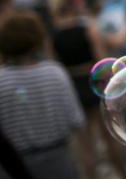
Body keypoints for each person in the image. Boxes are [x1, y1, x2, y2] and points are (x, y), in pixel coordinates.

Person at [48, 0, 126, 179]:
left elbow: (55, 66)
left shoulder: (53, 36)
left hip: (72, 87)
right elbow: (102, 61)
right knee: (110, 140)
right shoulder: (87, 29)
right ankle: (125, 175)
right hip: (93, 84)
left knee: (86, 147)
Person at [0, 9, 84, 179]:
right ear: (38, 38)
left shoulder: (1, 80)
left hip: (15, 164)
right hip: (59, 160)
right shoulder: (55, 72)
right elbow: (76, 119)